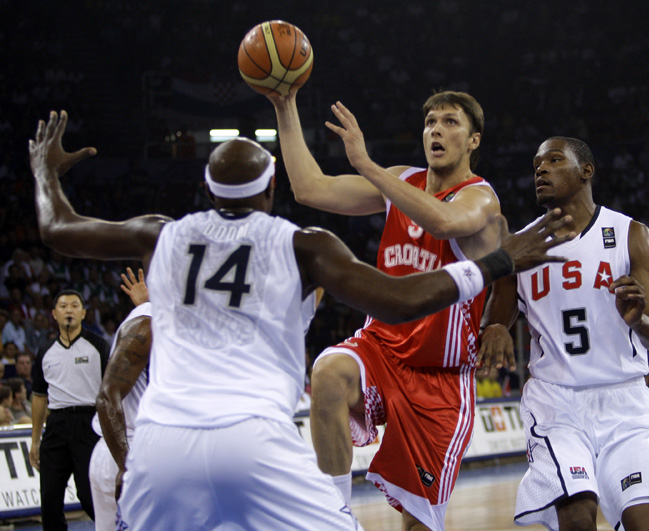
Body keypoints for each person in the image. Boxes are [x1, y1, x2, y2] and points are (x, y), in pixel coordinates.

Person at [28, 110, 573, 529]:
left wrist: (44, 171)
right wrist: (500, 261)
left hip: (163, 443)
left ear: (208, 188)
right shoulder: (301, 244)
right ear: (269, 190)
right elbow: (398, 300)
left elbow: (57, 229)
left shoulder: (161, 233)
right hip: (253, 438)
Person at [269, 88, 501, 529]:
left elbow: (444, 221)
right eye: (431, 121)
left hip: (440, 376)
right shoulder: (402, 180)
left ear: (473, 141)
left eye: (450, 122)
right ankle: (333, 515)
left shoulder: (481, 198)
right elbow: (309, 188)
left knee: (416, 525)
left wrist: (368, 165)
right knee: (329, 372)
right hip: (381, 349)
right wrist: (285, 106)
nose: (436, 129)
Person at [479, 137, 649, 531]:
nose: (540, 169)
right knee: (577, 519)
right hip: (557, 406)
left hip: (626, 403)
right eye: (536, 164)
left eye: (553, 160)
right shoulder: (519, 248)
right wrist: (495, 327)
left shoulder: (630, 234)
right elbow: (493, 321)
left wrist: (639, 322)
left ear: (586, 170)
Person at [30, 288, 110, 530]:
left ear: (84, 313)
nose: (69, 310)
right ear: (54, 314)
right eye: (63, 306)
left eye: (74, 306)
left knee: (88, 496)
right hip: (55, 426)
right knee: (49, 499)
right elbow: (39, 397)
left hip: (89, 424)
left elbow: (113, 391)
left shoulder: (99, 346)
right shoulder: (45, 351)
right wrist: (35, 440)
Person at [89, 267, 151, 531]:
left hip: (129, 447)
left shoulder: (157, 317)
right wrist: (126, 466)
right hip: (128, 449)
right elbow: (107, 397)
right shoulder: (147, 323)